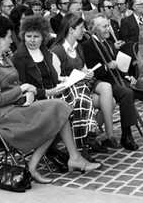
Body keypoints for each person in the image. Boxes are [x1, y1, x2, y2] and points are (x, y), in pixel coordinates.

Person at [0, 16, 100, 183]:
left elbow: (14, 85)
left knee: (59, 109)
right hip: (4, 114)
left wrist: (27, 93)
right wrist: (23, 89)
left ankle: (67, 158)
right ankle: (63, 159)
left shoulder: (3, 57)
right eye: (8, 36)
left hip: (18, 105)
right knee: (58, 110)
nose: (11, 40)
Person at [12, 15, 103, 163]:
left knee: (79, 95)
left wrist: (65, 80)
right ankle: (81, 148)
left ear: (43, 37)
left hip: (53, 93)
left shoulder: (45, 53)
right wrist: (48, 92)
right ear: (23, 36)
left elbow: (54, 77)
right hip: (38, 99)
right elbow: (22, 87)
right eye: (28, 36)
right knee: (76, 101)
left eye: (36, 36)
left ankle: (80, 149)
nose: (32, 40)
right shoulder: (19, 58)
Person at [83, 14, 143, 151]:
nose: (109, 29)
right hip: (104, 83)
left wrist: (128, 76)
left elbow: (118, 65)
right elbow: (90, 71)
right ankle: (126, 135)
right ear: (94, 29)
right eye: (104, 26)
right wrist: (107, 66)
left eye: (108, 25)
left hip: (119, 79)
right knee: (127, 93)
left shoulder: (107, 43)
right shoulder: (88, 45)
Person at [51, 14, 120, 150]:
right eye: (81, 28)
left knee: (108, 95)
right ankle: (94, 136)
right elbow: (55, 78)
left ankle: (95, 135)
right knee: (109, 100)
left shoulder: (78, 47)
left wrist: (87, 73)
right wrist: (74, 77)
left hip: (81, 86)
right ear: (71, 29)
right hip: (66, 91)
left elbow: (83, 68)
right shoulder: (57, 50)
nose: (84, 30)